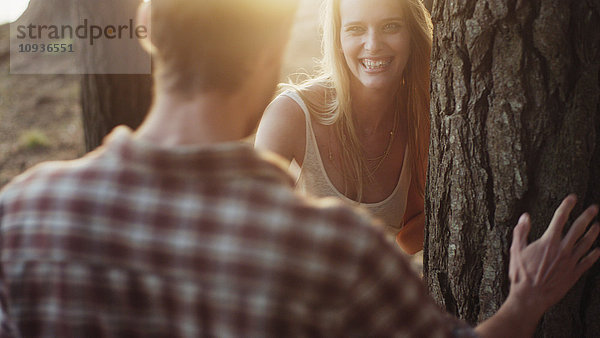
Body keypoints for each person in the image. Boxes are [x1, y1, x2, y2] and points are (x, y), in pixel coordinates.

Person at [0, 0, 598, 337]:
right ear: (271, 52)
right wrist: (526, 299)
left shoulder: (23, 213)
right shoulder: (331, 248)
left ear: (146, 30)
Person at [255, 0, 433, 254]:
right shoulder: (291, 114)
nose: (373, 45)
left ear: (412, 34)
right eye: (356, 29)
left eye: (391, 26)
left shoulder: (421, 117)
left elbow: (410, 234)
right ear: (338, 39)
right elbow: (252, 231)